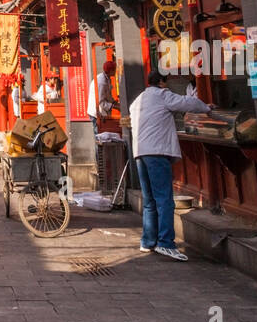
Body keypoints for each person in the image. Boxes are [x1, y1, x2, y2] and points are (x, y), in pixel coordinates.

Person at [130, 70, 212, 261]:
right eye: (166, 82)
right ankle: (166, 243)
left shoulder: (138, 100)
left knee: (149, 200)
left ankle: (148, 241)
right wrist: (206, 108)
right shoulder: (162, 95)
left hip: (141, 153)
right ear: (161, 82)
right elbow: (188, 102)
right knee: (164, 199)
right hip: (157, 152)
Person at [88, 58, 117, 136]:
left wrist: (113, 102)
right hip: (96, 112)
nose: (116, 71)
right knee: (99, 135)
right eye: (115, 69)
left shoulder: (107, 79)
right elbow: (101, 102)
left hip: (101, 111)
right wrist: (114, 106)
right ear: (111, 71)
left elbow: (108, 94)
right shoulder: (102, 82)